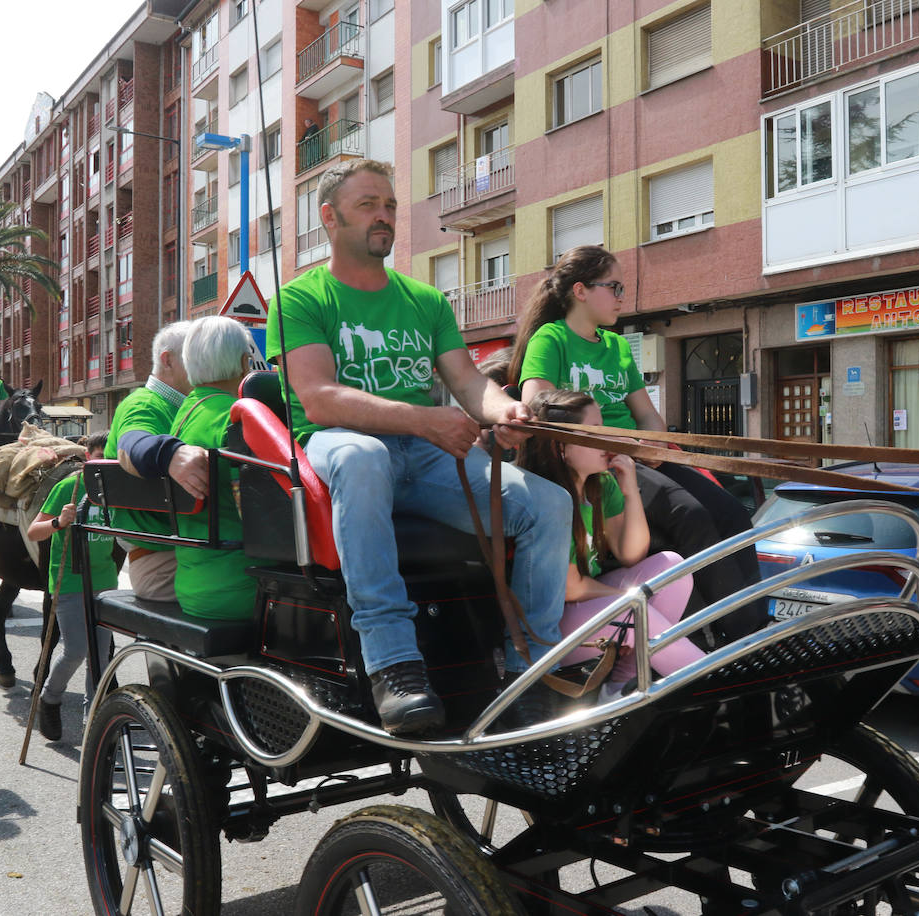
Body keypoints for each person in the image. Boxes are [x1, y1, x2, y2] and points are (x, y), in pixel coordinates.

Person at [265, 159, 571, 735]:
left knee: (550, 505)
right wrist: (425, 421)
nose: (384, 216)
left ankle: (528, 671)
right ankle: (392, 665)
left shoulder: (425, 300)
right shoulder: (300, 299)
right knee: (363, 457)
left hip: (427, 455)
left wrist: (505, 410)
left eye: (389, 205)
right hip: (339, 445)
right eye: (367, 205)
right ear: (328, 218)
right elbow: (320, 398)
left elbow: (467, 382)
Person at [510, 244, 763, 643]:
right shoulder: (550, 339)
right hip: (599, 460)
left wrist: (650, 443)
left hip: (638, 453)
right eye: (614, 287)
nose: (622, 298)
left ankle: (754, 626)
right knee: (692, 514)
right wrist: (618, 442)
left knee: (733, 511)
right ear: (580, 290)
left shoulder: (615, 347)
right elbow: (538, 408)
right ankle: (734, 637)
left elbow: (647, 415)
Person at [519, 390, 706, 701]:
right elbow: (570, 588)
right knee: (635, 612)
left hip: (587, 609)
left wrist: (630, 488)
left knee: (673, 567)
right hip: (549, 625)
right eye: (594, 432)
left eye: (604, 427)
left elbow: (630, 553)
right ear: (559, 446)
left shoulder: (600, 484)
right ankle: (709, 678)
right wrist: (632, 599)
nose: (606, 439)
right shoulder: (546, 494)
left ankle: (621, 685)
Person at [101, 320, 207, 602]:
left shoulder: (182, 405)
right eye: (194, 356)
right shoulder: (145, 403)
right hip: (164, 555)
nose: (202, 363)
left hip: (180, 548)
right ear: (168, 360)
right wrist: (169, 454)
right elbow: (130, 444)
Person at [171, 317, 267, 620]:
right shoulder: (236, 418)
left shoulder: (184, 414)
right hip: (244, 589)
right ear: (243, 362)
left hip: (192, 586)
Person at [26, 433, 117, 741]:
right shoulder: (69, 486)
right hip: (69, 581)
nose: (104, 461)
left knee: (101, 658)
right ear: (87, 456)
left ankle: (95, 726)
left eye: (110, 455)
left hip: (105, 583)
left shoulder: (118, 489)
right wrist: (58, 523)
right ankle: (49, 698)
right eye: (99, 455)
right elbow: (34, 532)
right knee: (76, 650)